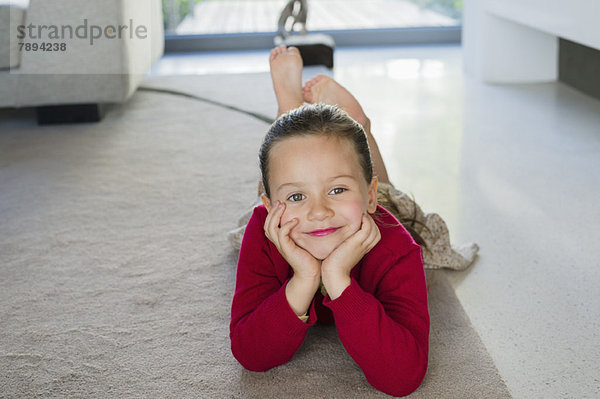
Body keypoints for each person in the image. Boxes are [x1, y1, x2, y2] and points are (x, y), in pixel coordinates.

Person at [229, 46, 430, 397]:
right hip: (322, 203)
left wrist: (338, 278)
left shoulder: (396, 247)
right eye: (295, 198)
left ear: (368, 197)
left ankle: (360, 126)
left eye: (336, 190)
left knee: (388, 192)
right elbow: (251, 354)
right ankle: (291, 112)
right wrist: (305, 276)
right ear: (267, 205)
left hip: (377, 207)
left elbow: (403, 377)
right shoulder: (266, 229)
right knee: (298, 162)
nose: (319, 212)